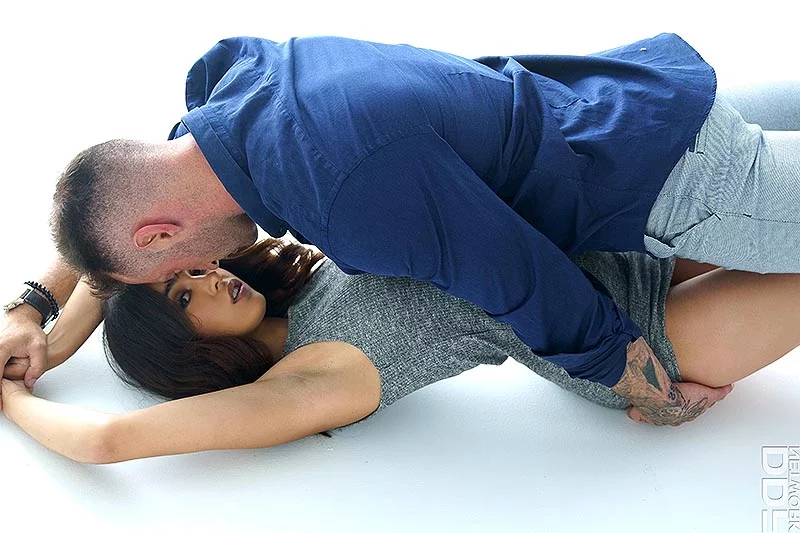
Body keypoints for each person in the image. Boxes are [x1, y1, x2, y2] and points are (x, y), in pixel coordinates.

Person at [2, 35, 799, 427]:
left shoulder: (343, 192)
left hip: (670, 182)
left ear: (155, 238)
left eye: (169, 271)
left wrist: (644, 391)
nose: (209, 266)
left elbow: (521, 277)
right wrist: (37, 312)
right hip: (621, 100)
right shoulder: (231, 82)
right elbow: (120, 199)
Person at [8, 236, 800, 464]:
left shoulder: (303, 274)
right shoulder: (309, 379)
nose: (208, 277)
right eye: (186, 300)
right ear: (190, 354)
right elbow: (107, 440)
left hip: (626, 242)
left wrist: (41, 318)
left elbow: (123, 222)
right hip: (633, 338)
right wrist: (9, 394)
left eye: (191, 269)